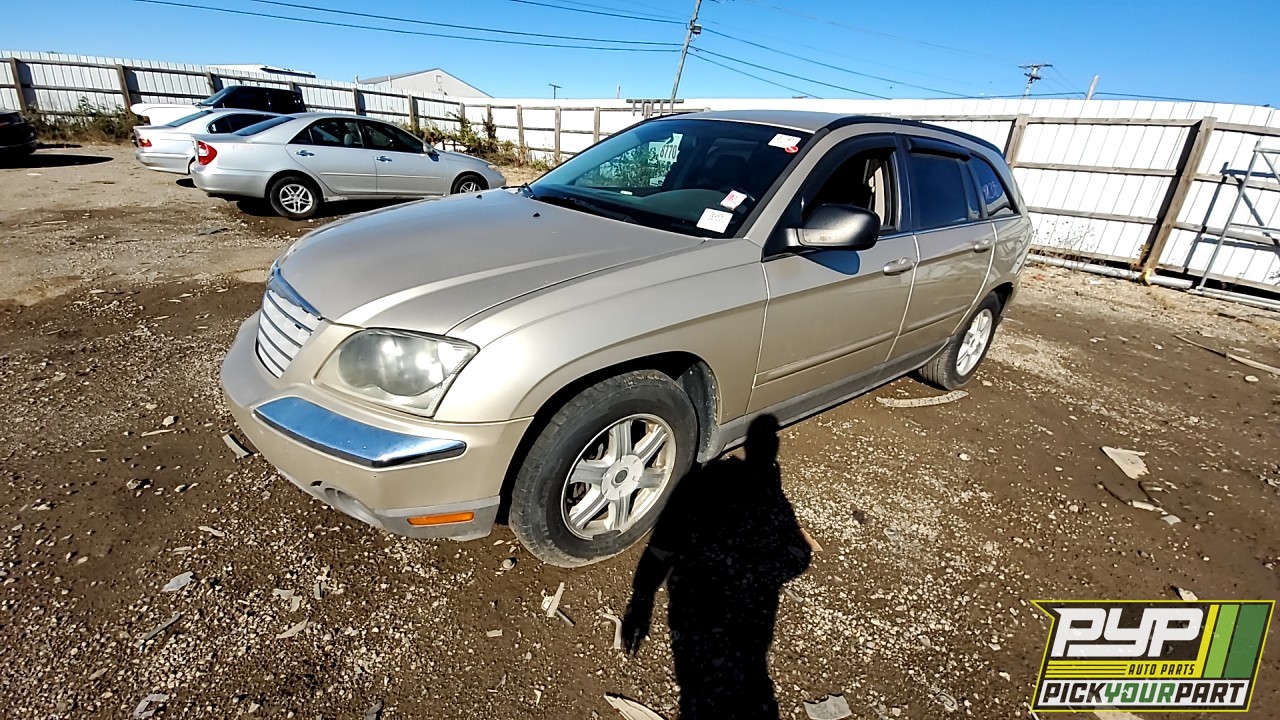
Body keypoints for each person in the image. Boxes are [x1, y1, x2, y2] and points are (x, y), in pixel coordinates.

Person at [623, 414, 811, 720]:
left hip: (712, 616)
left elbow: (662, 545)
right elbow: (799, 555)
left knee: (708, 689)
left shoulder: (712, 486)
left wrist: (641, 600)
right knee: (721, 688)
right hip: (723, 618)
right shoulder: (761, 494)